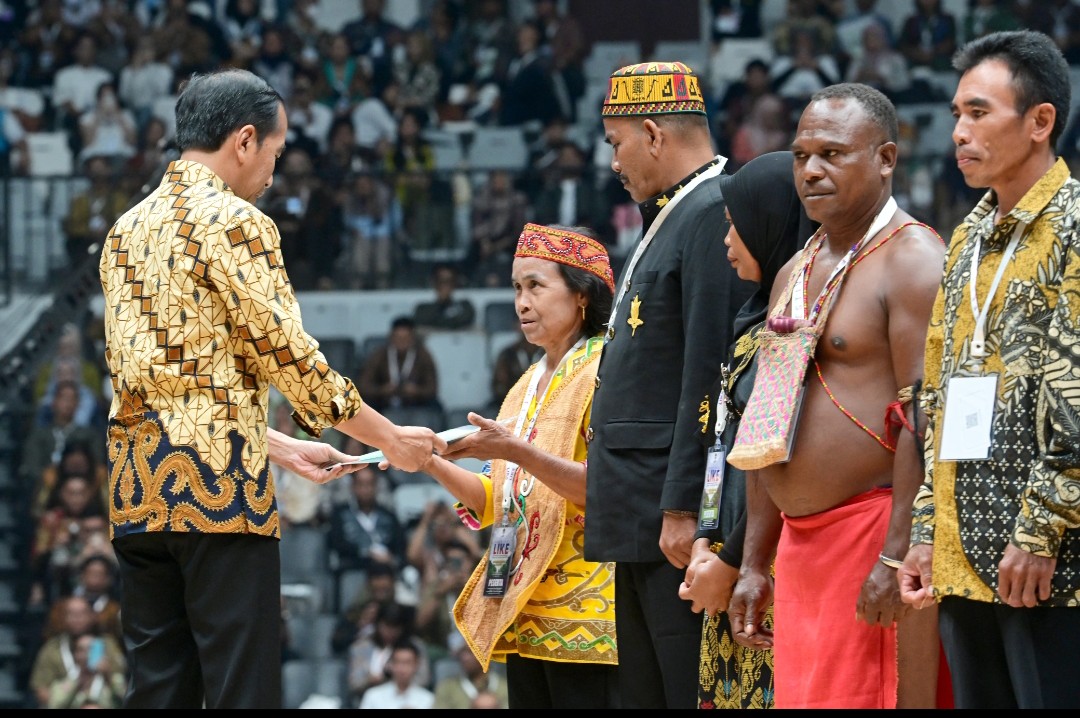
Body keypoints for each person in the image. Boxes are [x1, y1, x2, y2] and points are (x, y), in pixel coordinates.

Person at [97, 68, 446, 710]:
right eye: (276, 155)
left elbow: (166, 383)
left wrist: (281, 448)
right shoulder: (239, 223)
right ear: (245, 139)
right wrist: (389, 438)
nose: (273, 173)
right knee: (240, 689)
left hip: (137, 488)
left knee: (159, 690)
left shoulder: (125, 231)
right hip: (219, 492)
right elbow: (293, 362)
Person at [725, 83, 946, 709]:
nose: (811, 170)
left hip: (872, 537)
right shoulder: (795, 270)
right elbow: (765, 423)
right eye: (800, 155)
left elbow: (922, 421)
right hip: (799, 549)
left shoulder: (913, 260)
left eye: (832, 153)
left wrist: (894, 553)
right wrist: (754, 561)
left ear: (885, 159)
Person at [899, 30, 1080, 710]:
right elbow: (940, 396)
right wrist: (927, 532)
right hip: (964, 555)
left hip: (1053, 562)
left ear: (1041, 122)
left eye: (979, 112)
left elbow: (1077, 398)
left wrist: (1039, 531)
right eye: (955, 115)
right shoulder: (968, 237)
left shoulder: (1074, 227)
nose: (959, 132)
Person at [584, 60, 754, 709]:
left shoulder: (712, 210)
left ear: (653, 133)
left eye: (617, 142)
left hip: (669, 515)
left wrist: (689, 507)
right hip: (640, 513)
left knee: (682, 690)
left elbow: (713, 369)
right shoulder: (678, 210)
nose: (614, 162)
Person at [412, 223, 619, 708]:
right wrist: (431, 461)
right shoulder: (524, 384)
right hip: (523, 608)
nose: (521, 303)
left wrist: (514, 451)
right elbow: (492, 504)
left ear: (582, 295)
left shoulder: (609, 367)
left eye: (535, 286)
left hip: (587, 613)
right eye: (516, 288)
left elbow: (610, 491)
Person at [677, 150, 813, 709]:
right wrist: (706, 542)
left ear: (771, 221)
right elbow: (724, 446)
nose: (727, 239)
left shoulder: (800, 320)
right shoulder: (752, 321)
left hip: (773, 566)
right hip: (729, 558)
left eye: (737, 223)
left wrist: (734, 561)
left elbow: (778, 456)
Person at [357, 641, 435, 710]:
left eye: (407, 663)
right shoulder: (373, 695)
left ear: (416, 665)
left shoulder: (427, 699)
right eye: (398, 662)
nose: (402, 668)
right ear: (390, 664)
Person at [413, 264, 477, 331]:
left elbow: (465, 319)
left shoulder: (465, 306)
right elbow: (421, 320)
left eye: (449, 281)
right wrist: (441, 303)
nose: (445, 285)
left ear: (455, 283)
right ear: (434, 282)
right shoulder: (422, 309)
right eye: (441, 281)